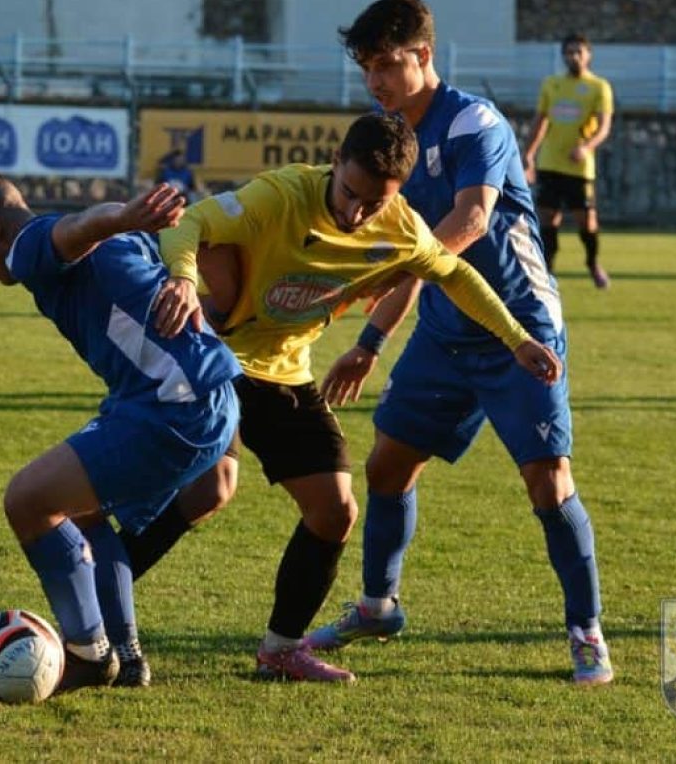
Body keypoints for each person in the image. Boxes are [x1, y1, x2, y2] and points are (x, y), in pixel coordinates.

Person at [151, 113, 562, 683]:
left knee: (335, 510)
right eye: (349, 193)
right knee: (210, 490)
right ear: (336, 161)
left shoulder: (400, 228)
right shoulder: (282, 194)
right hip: (211, 358)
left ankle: (280, 649)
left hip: (284, 373)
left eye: (374, 202)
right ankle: (99, 594)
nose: (356, 212)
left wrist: (517, 339)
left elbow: (455, 275)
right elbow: (185, 224)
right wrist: (180, 278)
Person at [307, 0, 612, 686]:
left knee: (548, 481)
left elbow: (470, 220)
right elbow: (418, 255)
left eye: (387, 63)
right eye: (367, 68)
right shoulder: (392, 141)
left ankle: (587, 630)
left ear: (424, 56)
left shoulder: (476, 122)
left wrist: (386, 272)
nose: (377, 80)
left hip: (518, 331)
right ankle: (379, 605)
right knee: (387, 467)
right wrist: (371, 343)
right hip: (446, 332)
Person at [0, 170, 241, 691]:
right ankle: (124, 653)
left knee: (27, 501)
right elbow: (176, 239)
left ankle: (90, 654)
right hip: (204, 395)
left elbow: (78, 227)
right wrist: (186, 279)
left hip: (172, 405)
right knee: (85, 510)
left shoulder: (28, 245)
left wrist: (121, 215)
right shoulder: (123, 238)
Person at [523, 33, 614, 288]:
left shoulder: (599, 87)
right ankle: (546, 272)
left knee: (587, 221)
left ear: (588, 55)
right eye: (569, 52)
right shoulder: (551, 84)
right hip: (550, 163)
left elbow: (604, 127)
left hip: (580, 166)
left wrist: (586, 147)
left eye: (578, 52)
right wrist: (528, 154)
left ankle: (592, 263)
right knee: (548, 219)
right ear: (563, 55)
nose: (573, 56)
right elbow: (540, 122)